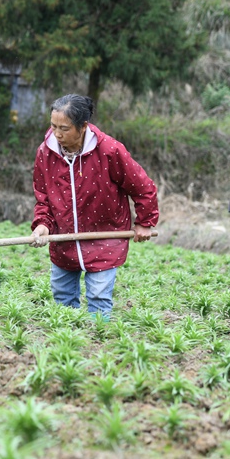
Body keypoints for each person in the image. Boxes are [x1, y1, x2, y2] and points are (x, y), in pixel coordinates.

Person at [29, 94, 159, 321]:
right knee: (62, 298)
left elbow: (142, 186)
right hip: (63, 240)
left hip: (105, 237)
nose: (57, 134)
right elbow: (44, 199)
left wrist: (145, 222)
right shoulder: (46, 152)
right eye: (53, 126)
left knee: (99, 299)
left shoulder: (109, 150)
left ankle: (98, 347)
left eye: (65, 128)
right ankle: (67, 345)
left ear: (83, 127)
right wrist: (42, 225)